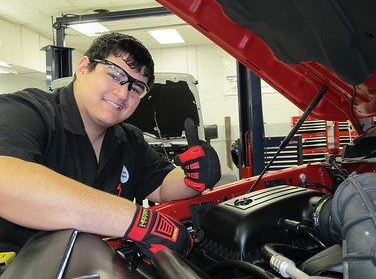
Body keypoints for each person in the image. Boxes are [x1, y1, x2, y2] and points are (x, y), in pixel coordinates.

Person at [0, 32, 221, 262]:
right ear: (84, 68)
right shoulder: (26, 111)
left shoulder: (128, 139)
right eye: (115, 75)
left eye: (136, 88)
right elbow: (6, 180)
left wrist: (192, 177)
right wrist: (136, 220)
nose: (123, 93)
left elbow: (162, 186)